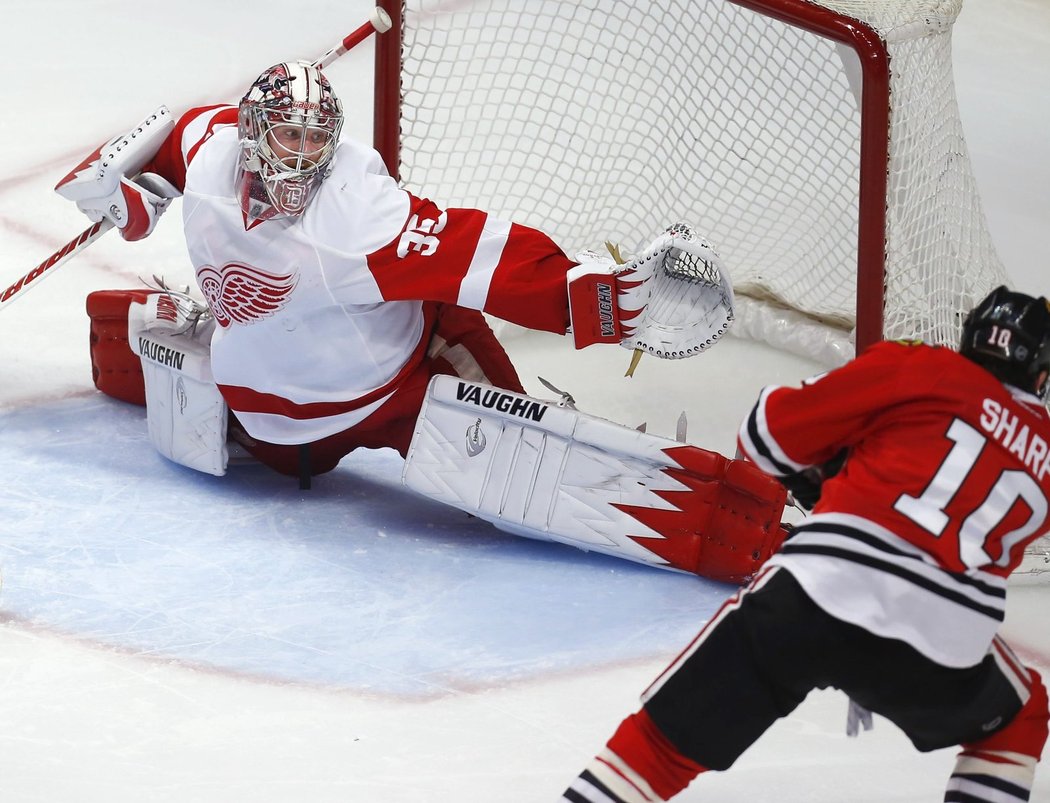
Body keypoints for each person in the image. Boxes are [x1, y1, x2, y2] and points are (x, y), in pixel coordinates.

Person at [57, 60, 791, 584]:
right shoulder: (360, 221)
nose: (304, 156)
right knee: (448, 313)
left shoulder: (215, 144)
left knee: (303, 318)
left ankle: (141, 329)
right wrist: (608, 305)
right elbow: (493, 263)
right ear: (254, 134)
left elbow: (170, 136)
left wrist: (128, 197)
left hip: (267, 429)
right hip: (384, 404)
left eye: (317, 140)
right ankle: (530, 420)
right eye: (289, 137)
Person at [561, 285, 1050, 802]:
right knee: (1019, 715)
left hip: (818, 593)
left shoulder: (922, 366)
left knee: (658, 751)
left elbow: (762, 436)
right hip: (943, 635)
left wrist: (827, 473)